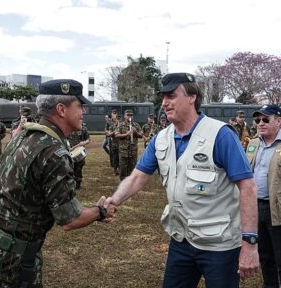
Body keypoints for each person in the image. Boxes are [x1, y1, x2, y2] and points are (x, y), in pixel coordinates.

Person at [105, 73, 259, 287]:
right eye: (163, 97)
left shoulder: (220, 135)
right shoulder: (161, 139)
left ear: (192, 97)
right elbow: (138, 177)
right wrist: (114, 200)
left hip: (220, 245)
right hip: (181, 239)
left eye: (171, 96)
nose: (164, 103)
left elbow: (248, 187)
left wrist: (250, 243)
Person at [0, 79, 116, 288]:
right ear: (61, 109)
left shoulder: (23, 134)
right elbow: (70, 220)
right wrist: (101, 211)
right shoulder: (53, 152)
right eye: (80, 106)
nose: (83, 112)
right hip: (16, 257)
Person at [246, 104, 281, 287]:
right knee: (265, 256)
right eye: (258, 119)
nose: (260, 123)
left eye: (266, 119)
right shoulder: (253, 144)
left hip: (277, 209)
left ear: (278, 121)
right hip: (255, 207)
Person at [115, 109, 143, 180]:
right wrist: (126, 134)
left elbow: (141, 135)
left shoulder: (136, 125)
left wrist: (135, 132)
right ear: (124, 116)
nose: (129, 117)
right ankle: (122, 186)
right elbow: (116, 135)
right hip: (123, 152)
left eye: (131, 115)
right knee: (123, 170)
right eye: (128, 115)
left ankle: (130, 186)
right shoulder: (121, 125)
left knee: (132, 170)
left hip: (133, 152)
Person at [68, 123, 90, 190]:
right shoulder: (67, 126)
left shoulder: (83, 128)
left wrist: (83, 143)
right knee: (69, 170)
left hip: (79, 152)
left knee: (78, 170)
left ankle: (77, 186)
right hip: (69, 152)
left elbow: (88, 139)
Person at [105, 110, 120, 175]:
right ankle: (115, 168)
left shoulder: (120, 122)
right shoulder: (109, 122)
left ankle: (119, 168)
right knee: (113, 155)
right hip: (112, 141)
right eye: (113, 114)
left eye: (115, 114)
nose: (114, 115)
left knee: (120, 156)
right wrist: (110, 133)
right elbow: (106, 130)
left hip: (120, 142)